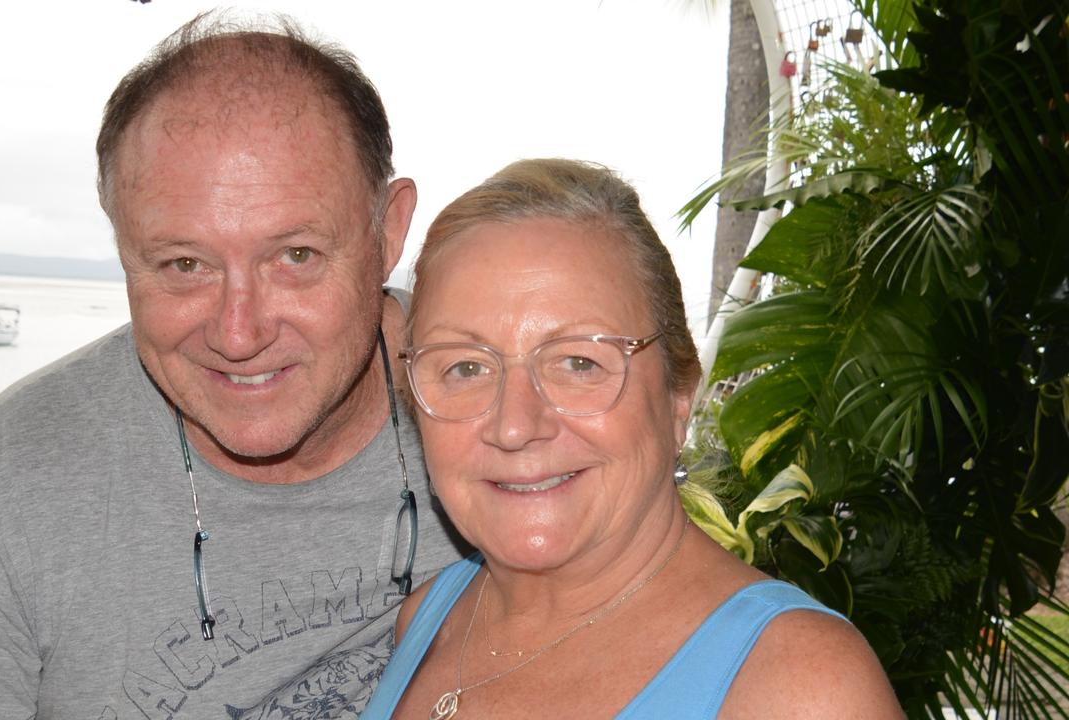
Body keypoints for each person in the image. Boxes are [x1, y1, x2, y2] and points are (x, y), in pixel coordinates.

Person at [0, 13, 467, 720]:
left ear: (389, 227)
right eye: (184, 265)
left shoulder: (511, 420)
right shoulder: (6, 483)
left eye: (296, 256)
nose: (239, 332)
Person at [361, 159, 903, 719]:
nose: (515, 426)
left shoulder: (802, 689)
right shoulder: (430, 619)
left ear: (678, 397)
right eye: (465, 368)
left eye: (579, 362)